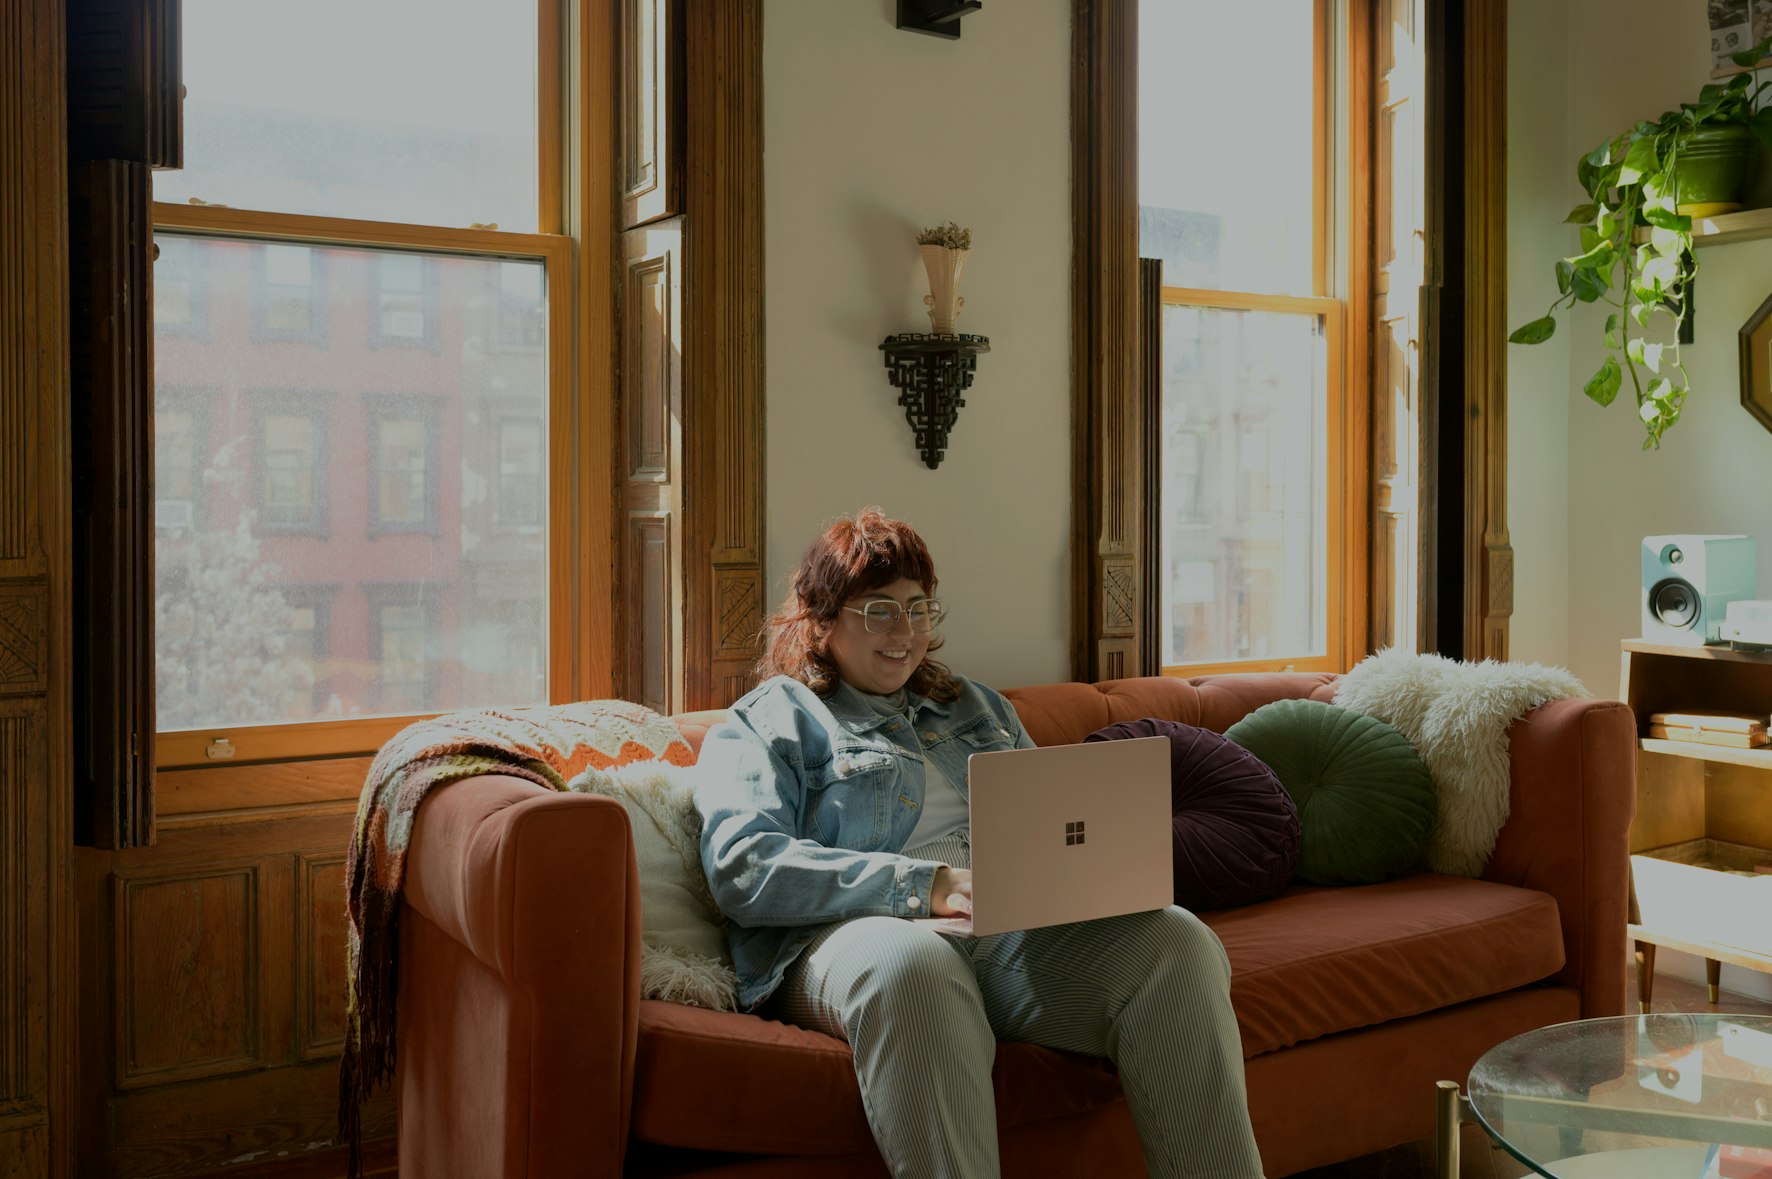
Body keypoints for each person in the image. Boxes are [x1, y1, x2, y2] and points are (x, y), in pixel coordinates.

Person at [694, 508, 1265, 1179]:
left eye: (918, 608)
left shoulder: (976, 706)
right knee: (913, 967)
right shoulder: (770, 721)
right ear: (820, 619)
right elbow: (745, 866)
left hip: (995, 919)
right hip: (847, 928)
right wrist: (923, 886)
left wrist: (1080, 879)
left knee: (1176, 941)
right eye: (879, 609)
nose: (904, 631)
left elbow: (1043, 822)